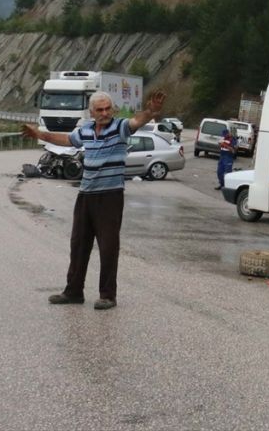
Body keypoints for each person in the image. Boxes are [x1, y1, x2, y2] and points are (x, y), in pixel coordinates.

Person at [22, 89, 165, 310]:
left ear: (113, 109)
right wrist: (39, 134)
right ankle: (73, 292)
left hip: (110, 197)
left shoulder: (120, 128)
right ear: (92, 112)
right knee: (78, 245)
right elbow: (66, 139)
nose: (105, 113)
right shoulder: (86, 130)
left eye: (108, 108)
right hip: (86, 195)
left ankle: (107, 295)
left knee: (108, 247)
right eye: (100, 109)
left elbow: (137, 121)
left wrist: (151, 111)